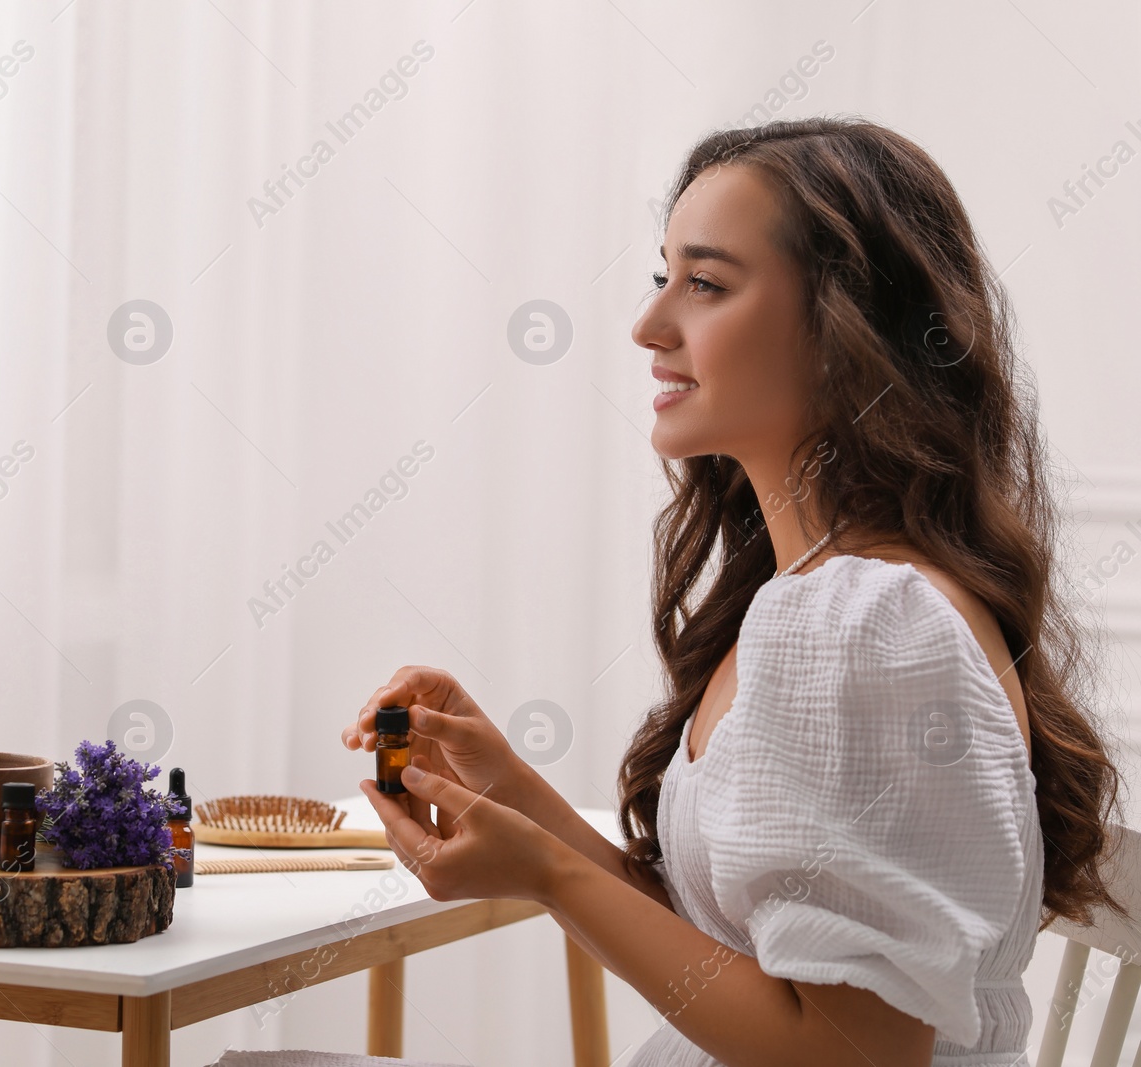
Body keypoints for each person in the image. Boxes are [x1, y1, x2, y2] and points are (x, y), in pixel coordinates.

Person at [342, 117, 1124, 1066]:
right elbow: (745, 958)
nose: (649, 325)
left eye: (705, 284)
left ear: (849, 328)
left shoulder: (870, 625)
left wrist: (545, 873)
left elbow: (851, 1052)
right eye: (661, 276)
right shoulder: (813, 597)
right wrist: (511, 792)